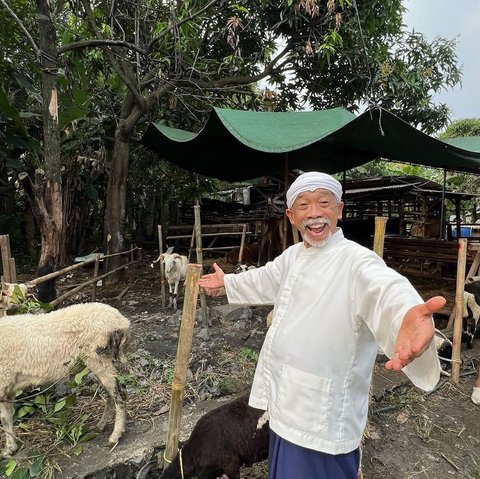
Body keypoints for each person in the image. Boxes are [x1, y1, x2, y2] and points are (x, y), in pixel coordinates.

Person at [198, 171, 446, 479]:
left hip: (322, 417)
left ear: (339, 210)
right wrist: (227, 282)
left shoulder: (356, 262)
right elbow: (265, 278)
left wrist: (405, 312)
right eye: (304, 205)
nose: (314, 213)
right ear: (291, 215)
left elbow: (384, 288)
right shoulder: (294, 256)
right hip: (285, 403)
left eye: (323, 202)